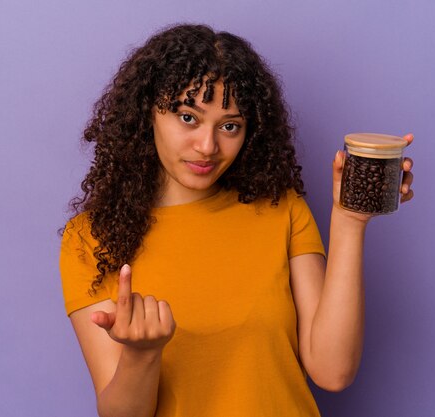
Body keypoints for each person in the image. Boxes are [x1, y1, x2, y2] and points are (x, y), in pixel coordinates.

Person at [59, 23, 414, 417]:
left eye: (230, 126)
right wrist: (143, 355)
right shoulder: (91, 237)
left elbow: (332, 372)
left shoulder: (282, 209)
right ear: (148, 112)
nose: (208, 146)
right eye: (188, 117)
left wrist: (350, 221)